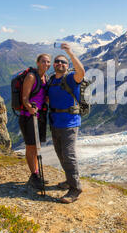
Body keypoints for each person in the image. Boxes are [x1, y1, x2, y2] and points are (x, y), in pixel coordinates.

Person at [48, 43, 85, 203]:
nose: (60, 64)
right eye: (57, 61)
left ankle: (75, 189)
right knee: (60, 154)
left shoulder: (70, 78)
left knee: (68, 156)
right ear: (54, 65)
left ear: (67, 65)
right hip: (55, 122)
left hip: (69, 123)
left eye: (63, 62)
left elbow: (81, 72)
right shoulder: (51, 80)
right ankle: (69, 181)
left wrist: (69, 52)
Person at [19, 53, 51, 190]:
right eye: (43, 61)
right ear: (38, 62)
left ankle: (36, 174)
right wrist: (29, 108)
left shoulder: (45, 78)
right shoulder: (31, 77)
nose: (46, 64)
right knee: (31, 146)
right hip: (28, 116)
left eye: (48, 62)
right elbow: (24, 98)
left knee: (36, 146)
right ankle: (34, 175)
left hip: (40, 116)